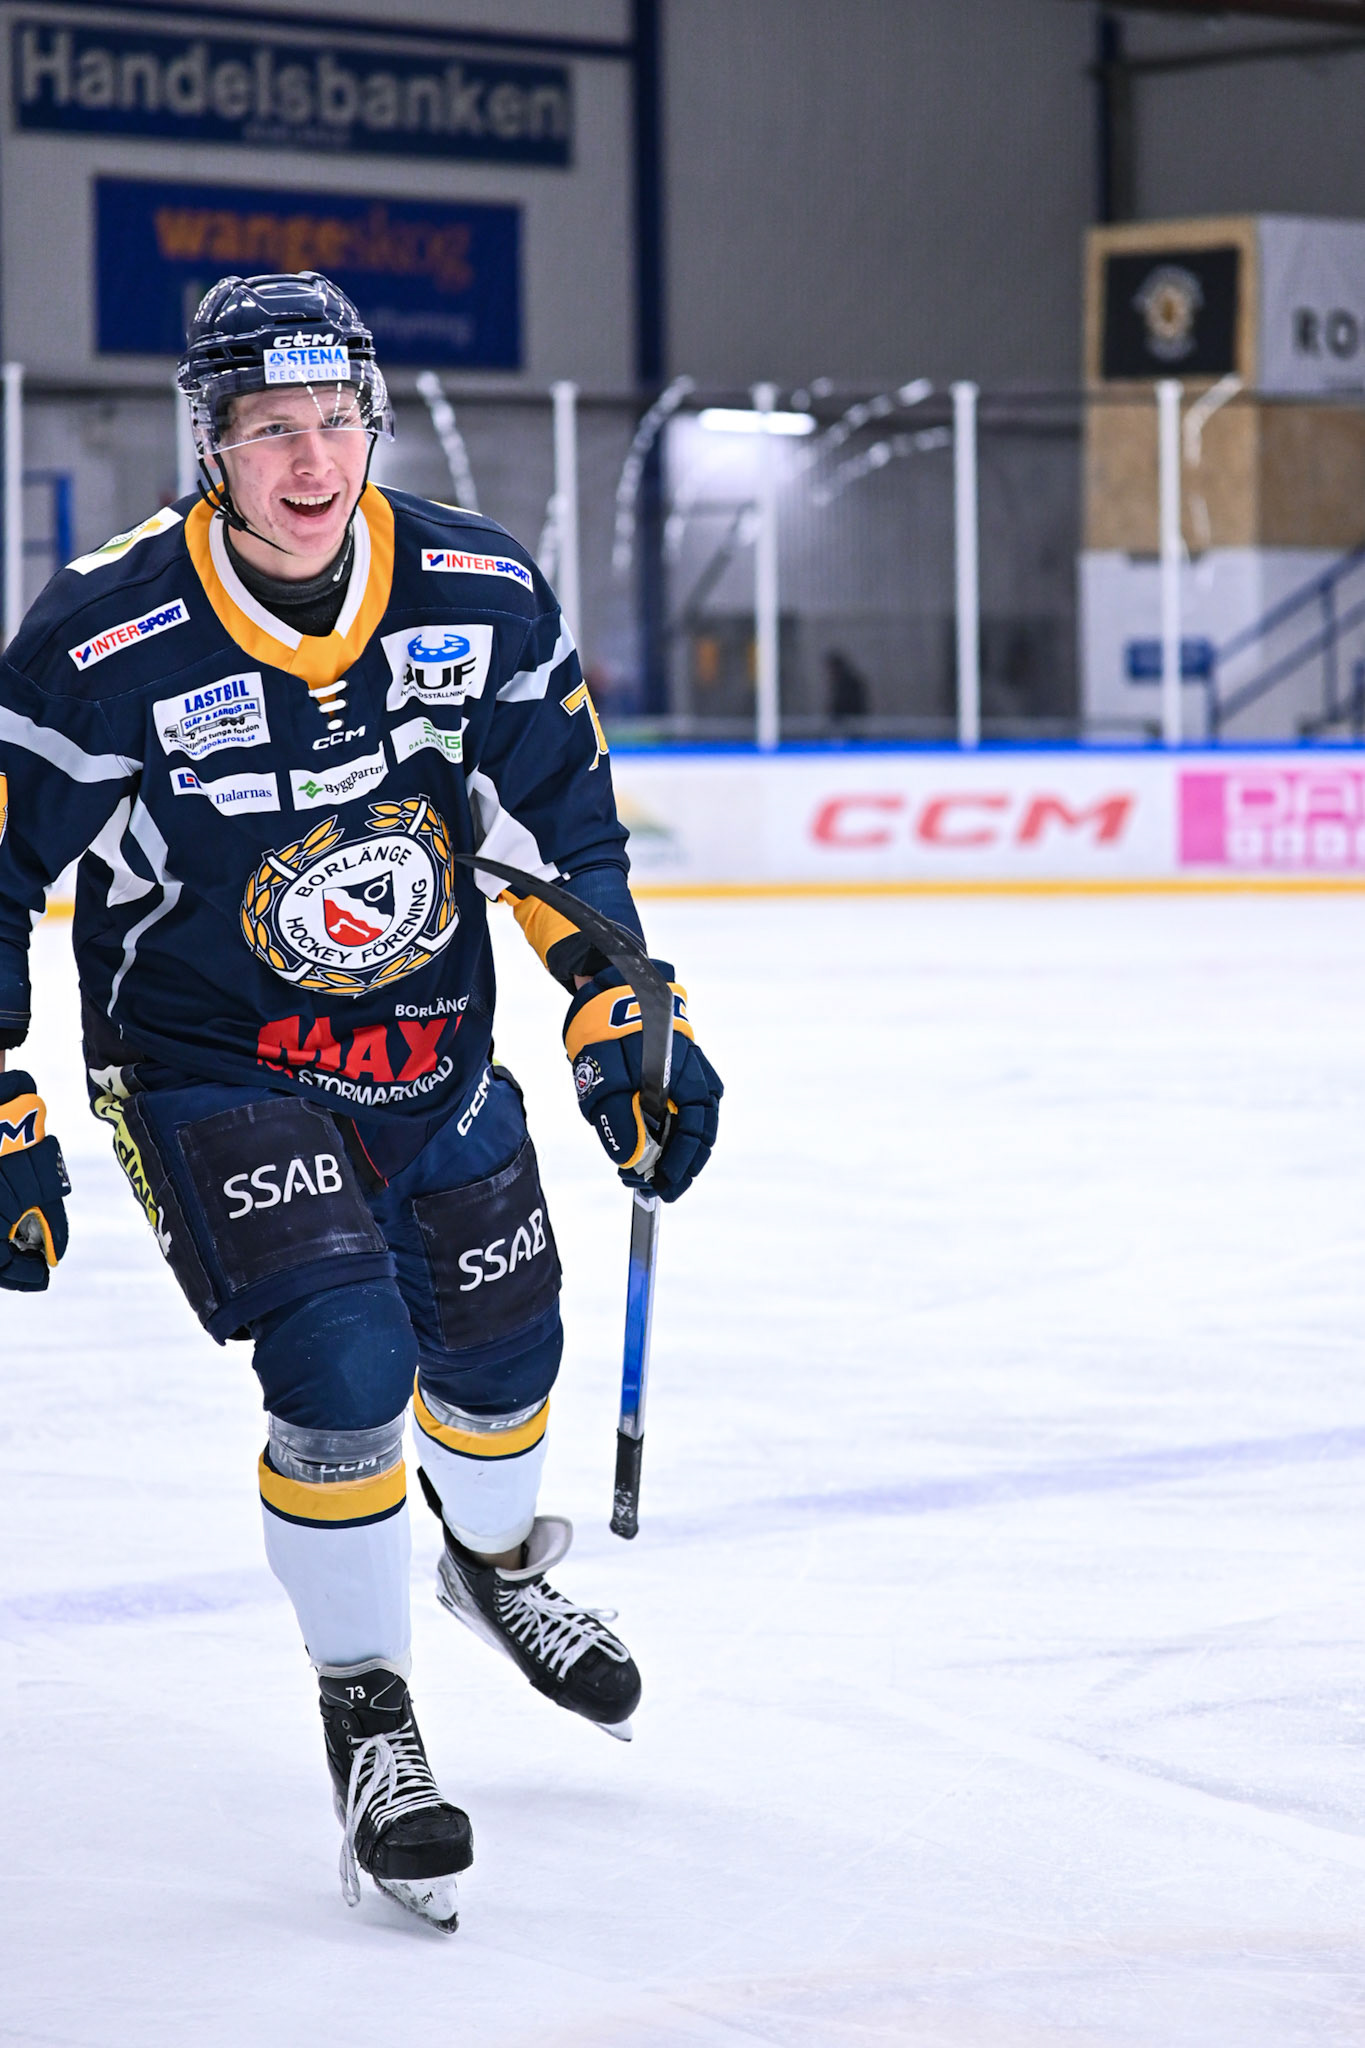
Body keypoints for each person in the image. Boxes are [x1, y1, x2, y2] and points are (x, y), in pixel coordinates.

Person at [0, 273, 722, 1933]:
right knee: (344, 1361)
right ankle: (370, 1711)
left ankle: (494, 1565)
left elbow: (556, 821)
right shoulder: (104, 637)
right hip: (208, 1060)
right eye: (269, 429)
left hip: (427, 1048)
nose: (310, 461)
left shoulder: (476, 588)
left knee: (506, 1354)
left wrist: (618, 1001)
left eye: (335, 421)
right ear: (210, 443)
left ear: (373, 422)